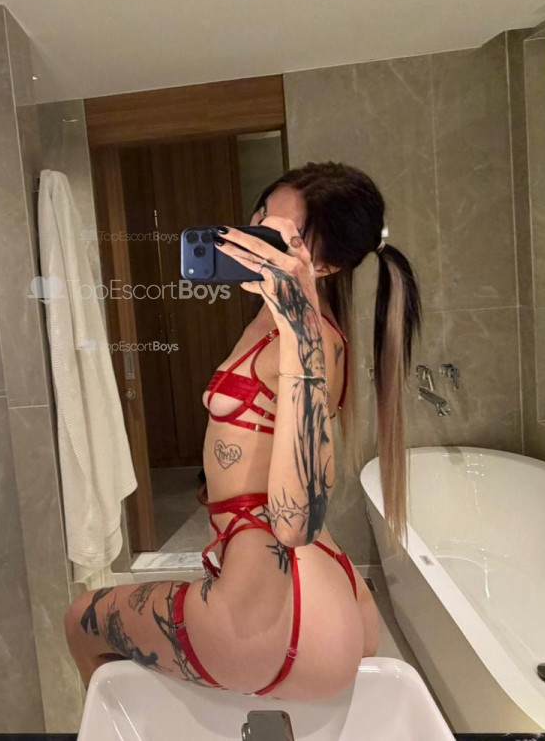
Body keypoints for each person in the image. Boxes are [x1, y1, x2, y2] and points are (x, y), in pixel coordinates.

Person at [64, 161, 421, 700]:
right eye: (260, 218)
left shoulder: (310, 340)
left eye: (282, 237)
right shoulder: (278, 322)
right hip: (313, 591)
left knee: (80, 620)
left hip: (272, 612)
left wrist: (299, 328)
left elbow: (295, 522)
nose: (255, 238)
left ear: (324, 266)